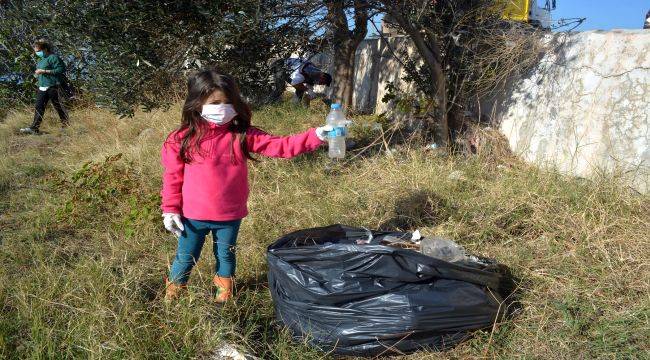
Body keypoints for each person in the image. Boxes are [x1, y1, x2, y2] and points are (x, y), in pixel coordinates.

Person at [160, 69, 331, 303]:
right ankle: (173, 297)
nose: (222, 107)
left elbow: (281, 146)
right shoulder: (181, 139)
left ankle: (224, 298)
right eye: (215, 102)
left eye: (228, 102)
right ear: (197, 103)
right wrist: (170, 209)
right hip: (192, 216)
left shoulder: (242, 135)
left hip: (229, 216)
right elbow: (172, 176)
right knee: (185, 256)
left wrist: (317, 136)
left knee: (226, 256)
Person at [20, 38, 69, 135]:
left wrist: (44, 71)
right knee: (39, 107)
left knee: (58, 106)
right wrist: (38, 74)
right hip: (42, 87)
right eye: (36, 51)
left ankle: (66, 127)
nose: (37, 53)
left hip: (54, 86)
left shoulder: (53, 58)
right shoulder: (41, 60)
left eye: (38, 51)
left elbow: (61, 69)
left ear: (45, 49)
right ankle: (34, 128)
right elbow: (40, 72)